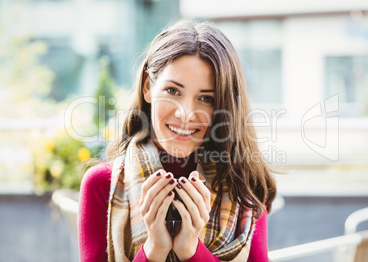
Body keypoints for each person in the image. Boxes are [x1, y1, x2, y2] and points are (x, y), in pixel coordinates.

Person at [78, 19, 277, 262]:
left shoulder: (244, 188)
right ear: (148, 87)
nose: (185, 114)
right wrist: (154, 250)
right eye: (173, 91)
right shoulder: (102, 185)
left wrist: (191, 250)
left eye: (206, 98)